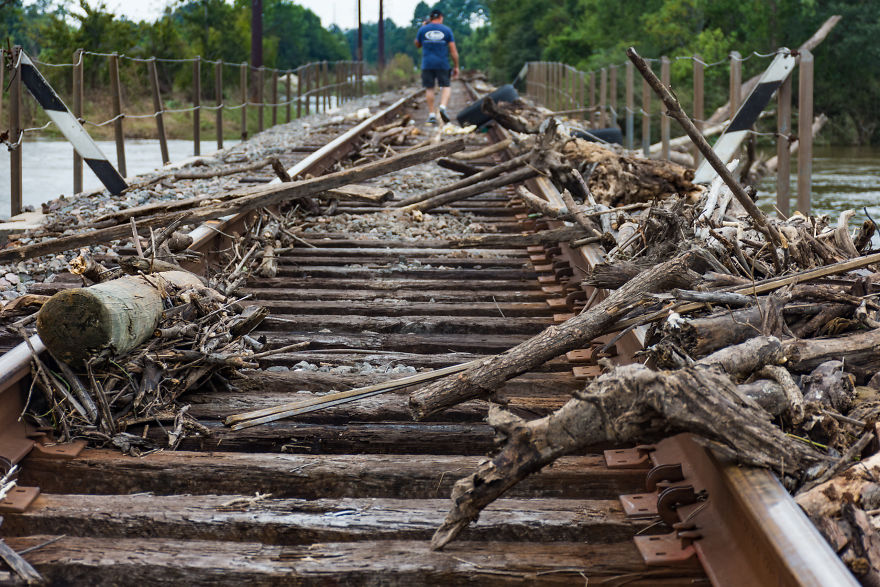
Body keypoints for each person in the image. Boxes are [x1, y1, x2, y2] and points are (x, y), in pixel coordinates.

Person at [415, 9, 459, 124]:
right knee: (446, 86)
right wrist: (456, 66)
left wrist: (423, 27)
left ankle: (431, 114)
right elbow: (453, 51)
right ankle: (442, 107)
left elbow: (417, 44)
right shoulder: (447, 30)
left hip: (427, 64)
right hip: (442, 63)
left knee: (429, 88)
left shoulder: (423, 30)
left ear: (430, 18)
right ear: (441, 17)